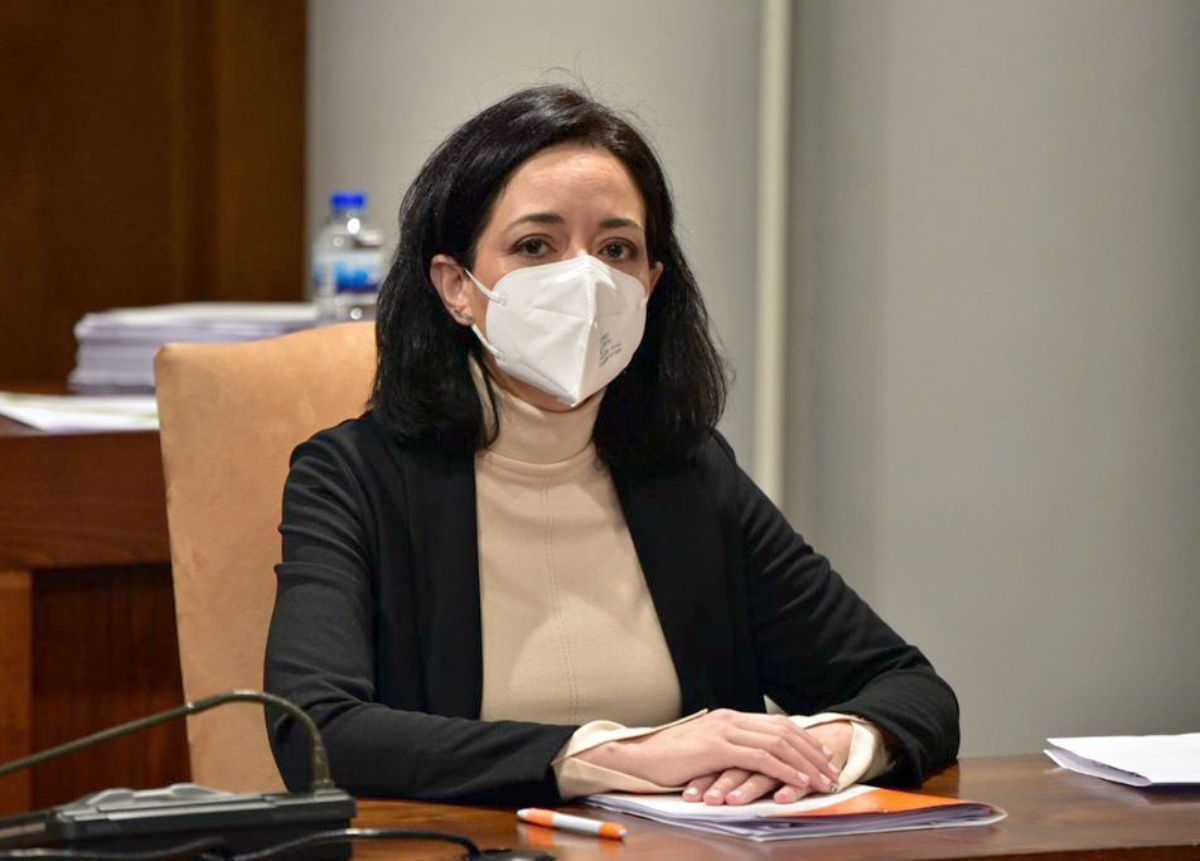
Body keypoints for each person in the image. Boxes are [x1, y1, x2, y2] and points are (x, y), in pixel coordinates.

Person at [264, 85, 959, 808]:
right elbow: (317, 732)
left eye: (616, 249)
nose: (586, 280)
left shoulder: (687, 473)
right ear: (456, 287)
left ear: (651, 285)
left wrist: (823, 748)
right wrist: (622, 756)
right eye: (536, 246)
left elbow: (908, 688)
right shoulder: (353, 476)